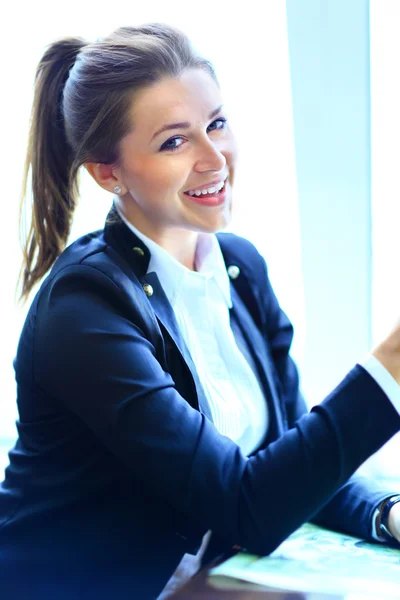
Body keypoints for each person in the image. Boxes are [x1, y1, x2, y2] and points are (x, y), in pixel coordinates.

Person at [1, 22, 400, 600]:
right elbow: (248, 505)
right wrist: (390, 364)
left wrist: (387, 512)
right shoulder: (84, 311)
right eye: (174, 141)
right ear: (108, 173)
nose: (215, 159)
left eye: (216, 124)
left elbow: (291, 463)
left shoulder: (240, 268)